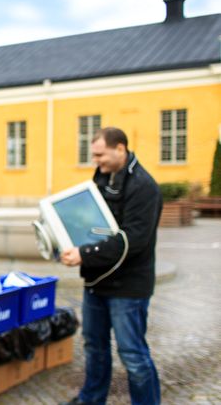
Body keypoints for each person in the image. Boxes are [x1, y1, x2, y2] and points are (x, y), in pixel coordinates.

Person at [59, 127, 162, 405]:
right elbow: (91, 224)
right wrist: (66, 241)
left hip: (128, 287)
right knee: (94, 348)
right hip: (97, 282)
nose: (96, 161)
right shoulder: (102, 177)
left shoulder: (144, 186)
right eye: (93, 156)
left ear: (120, 148)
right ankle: (92, 399)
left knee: (133, 355)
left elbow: (133, 241)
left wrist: (85, 253)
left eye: (100, 155)